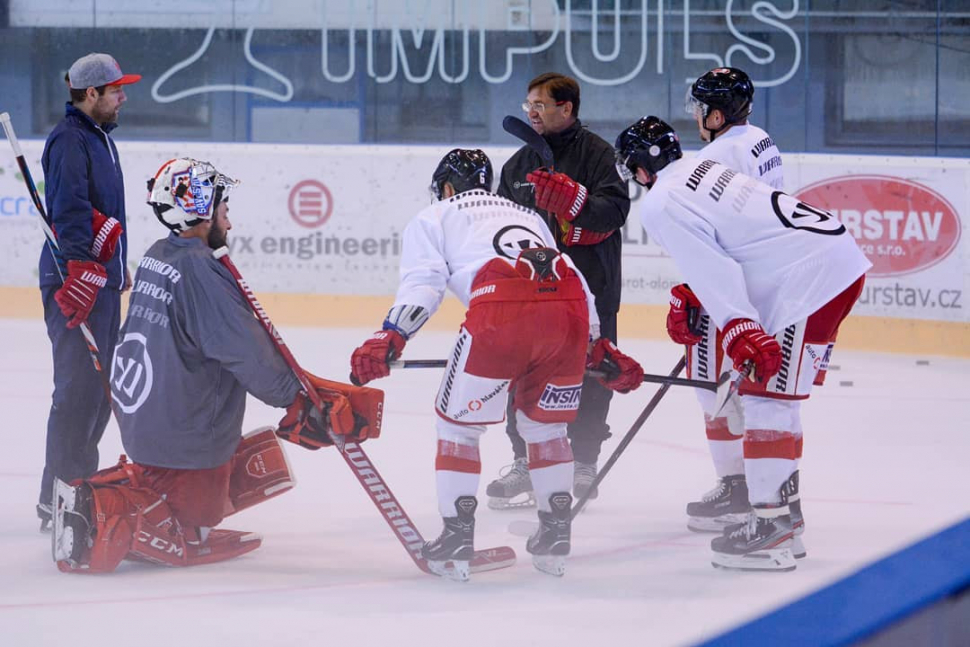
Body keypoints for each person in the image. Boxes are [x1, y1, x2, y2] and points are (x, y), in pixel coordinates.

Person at [50, 158, 383, 573]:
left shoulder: (159, 254)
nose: (229, 216)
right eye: (223, 206)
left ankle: (144, 501)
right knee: (216, 480)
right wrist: (297, 400)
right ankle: (175, 526)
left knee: (262, 461)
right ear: (201, 206)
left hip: (145, 430)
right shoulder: (199, 271)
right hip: (183, 441)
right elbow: (246, 351)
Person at [349, 149, 642, 580]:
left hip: (501, 312)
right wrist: (598, 344)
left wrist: (391, 335)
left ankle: (456, 536)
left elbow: (423, 284)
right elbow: (570, 274)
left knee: (458, 428)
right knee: (546, 429)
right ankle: (555, 530)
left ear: (446, 188)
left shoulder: (434, 216)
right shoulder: (527, 214)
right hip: (568, 314)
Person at [614, 117, 870, 572]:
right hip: (837, 265)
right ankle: (785, 517)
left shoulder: (661, 202)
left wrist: (737, 327)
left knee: (766, 398)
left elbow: (715, 268)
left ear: (639, 168)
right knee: (781, 399)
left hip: (807, 279)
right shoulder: (707, 170)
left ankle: (771, 525)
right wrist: (708, 304)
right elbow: (737, 247)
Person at [487, 72, 631, 509]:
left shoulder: (598, 156)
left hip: (592, 293)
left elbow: (616, 211)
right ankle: (524, 461)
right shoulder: (518, 166)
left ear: (566, 108)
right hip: (532, 297)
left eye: (540, 104)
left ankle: (584, 461)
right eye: (528, 103)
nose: (531, 111)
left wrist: (577, 204)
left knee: (591, 375)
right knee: (522, 375)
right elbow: (500, 226)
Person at [677, 67, 788, 537]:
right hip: (763, 279)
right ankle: (751, 488)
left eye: (701, 108)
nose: (696, 116)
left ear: (717, 114)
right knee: (738, 392)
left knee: (713, 388)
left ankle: (736, 490)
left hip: (732, 287)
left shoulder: (719, 154)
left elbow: (714, 231)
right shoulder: (760, 139)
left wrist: (695, 290)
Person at [36, 53, 141, 531]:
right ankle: (58, 497)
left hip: (99, 282)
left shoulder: (98, 139)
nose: (123, 97)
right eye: (116, 89)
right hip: (73, 284)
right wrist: (79, 270)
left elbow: (104, 215)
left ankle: (72, 487)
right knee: (78, 390)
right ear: (91, 93)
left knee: (99, 393)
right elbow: (70, 210)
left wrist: (114, 268)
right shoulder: (69, 141)